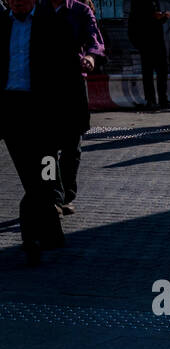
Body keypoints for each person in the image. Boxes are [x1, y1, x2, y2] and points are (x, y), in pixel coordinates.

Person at [1, 0, 80, 265]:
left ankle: (35, 236)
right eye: (11, 0)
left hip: (43, 115)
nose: (16, 4)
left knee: (45, 174)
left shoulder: (54, 24)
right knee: (30, 175)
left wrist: (72, 118)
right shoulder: (2, 25)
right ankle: (44, 236)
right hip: (12, 112)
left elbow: (69, 74)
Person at [48, 0, 104, 215]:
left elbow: (95, 39)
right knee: (47, 148)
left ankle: (66, 195)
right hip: (44, 85)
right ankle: (51, 194)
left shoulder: (81, 10)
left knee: (72, 147)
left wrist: (90, 56)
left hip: (73, 85)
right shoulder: (39, 9)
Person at [128, 0, 170, 108]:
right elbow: (136, 20)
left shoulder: (155, 1)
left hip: (158, 40)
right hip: (146, 41)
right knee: (148, 72)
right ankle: (150, 100)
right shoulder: (137, 3)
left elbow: (157, 20)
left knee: (162, 70)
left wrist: (164, 17)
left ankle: (163, 99)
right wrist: (153, 16)